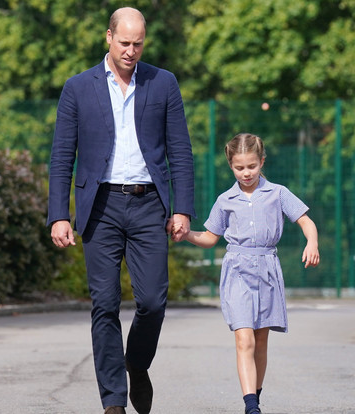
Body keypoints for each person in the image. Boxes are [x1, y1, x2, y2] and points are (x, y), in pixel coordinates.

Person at [47, 7, 195, 414]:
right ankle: (113, 401)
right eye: (124, 42)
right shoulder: (78, 88)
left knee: (152, 301)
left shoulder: (163, 82)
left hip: (150, 204)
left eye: (138, 43)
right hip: (101, 207)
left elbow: (180, 150)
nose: (131, 51)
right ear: (108, 37)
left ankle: (137, 363)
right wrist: (59, 214)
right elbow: (62, 155)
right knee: (105, 304)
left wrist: (182, 208)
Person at [177, 133, 319, 414]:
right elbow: (209, 237)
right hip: (237, 271)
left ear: (262, 162)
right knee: (245, 338)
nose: (246, 173)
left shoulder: (278, 193)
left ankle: (256, 394)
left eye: (251, 166)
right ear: (231, 166)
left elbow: (306, 221)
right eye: (239, 168)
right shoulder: (225, 199)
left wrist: (312, 242)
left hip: (267, 270)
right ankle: (251, 405)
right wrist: (186, 234)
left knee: (261, 341)